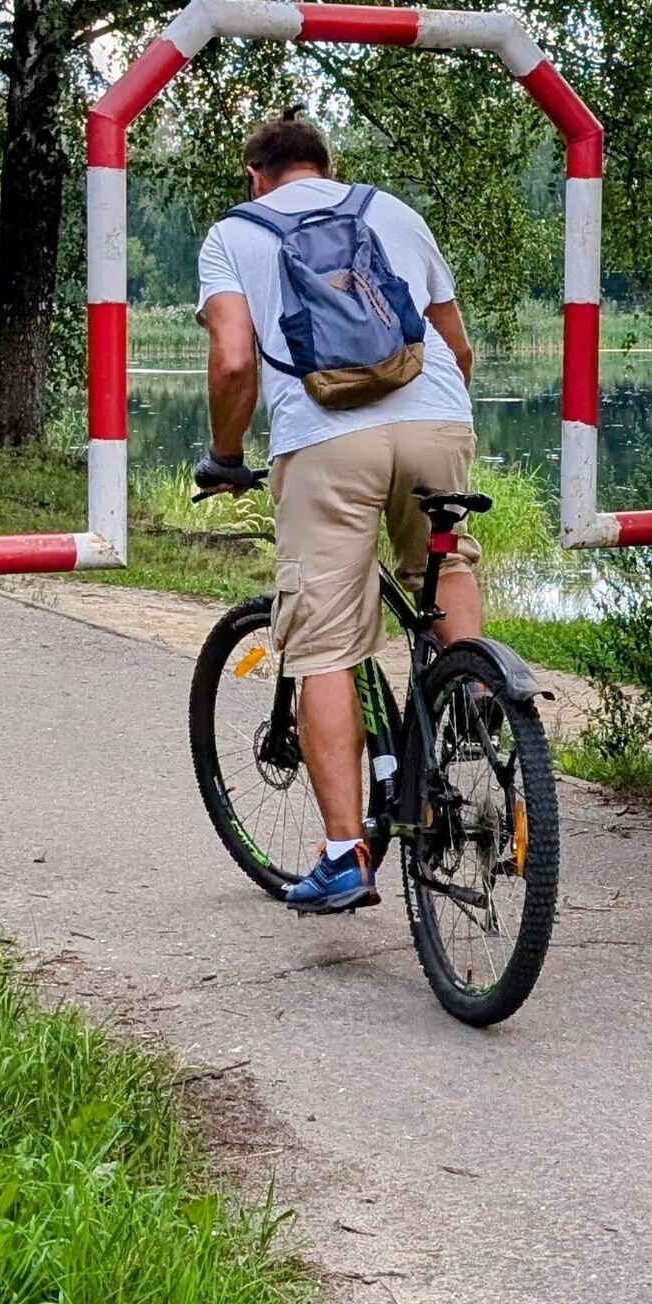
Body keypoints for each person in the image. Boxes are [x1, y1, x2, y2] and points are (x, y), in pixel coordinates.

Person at [196, 113, 483, 913]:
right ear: (328, 165)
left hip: (327, 442)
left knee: (323, 636)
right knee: (445, 562)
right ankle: (483, 716)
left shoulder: (234, 234)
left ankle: (343, 854)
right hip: (437, 422)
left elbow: (232, 361)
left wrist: (226, 455)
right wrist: (439, 427)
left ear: (258, 175)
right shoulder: (392, 211)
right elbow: (456, 348)